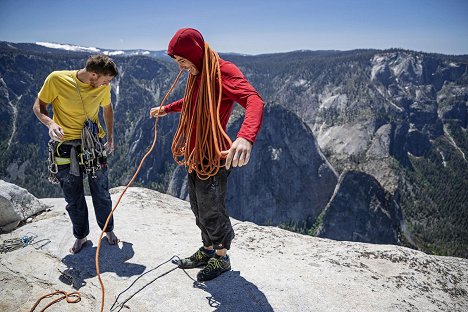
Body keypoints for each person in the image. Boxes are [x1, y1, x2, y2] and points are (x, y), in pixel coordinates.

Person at [149, 28, 264, 281]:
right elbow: (191, 100)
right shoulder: (198, 73)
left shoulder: (223, 71)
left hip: (213, 156)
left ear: (195, 53)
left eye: (182, 60)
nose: (181, 67)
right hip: (195, 153)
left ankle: (221, 258)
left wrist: (245, 136)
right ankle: (207, 250)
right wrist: (167, 109)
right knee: (198, 207)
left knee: (212, 208)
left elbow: (254, 100)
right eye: (177, 62)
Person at [33, 54, 119, 254]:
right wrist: (51, 123)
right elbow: (39, 106)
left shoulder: (102, 86)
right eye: (105, 81)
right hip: (65, 146)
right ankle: (81, 235)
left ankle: (108, 230)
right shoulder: (57, 79)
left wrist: (111, 137)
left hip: (93, 144)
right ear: (93, 75)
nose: (107, 85)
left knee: (101, 192)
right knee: (74, 197)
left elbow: (107, 108)